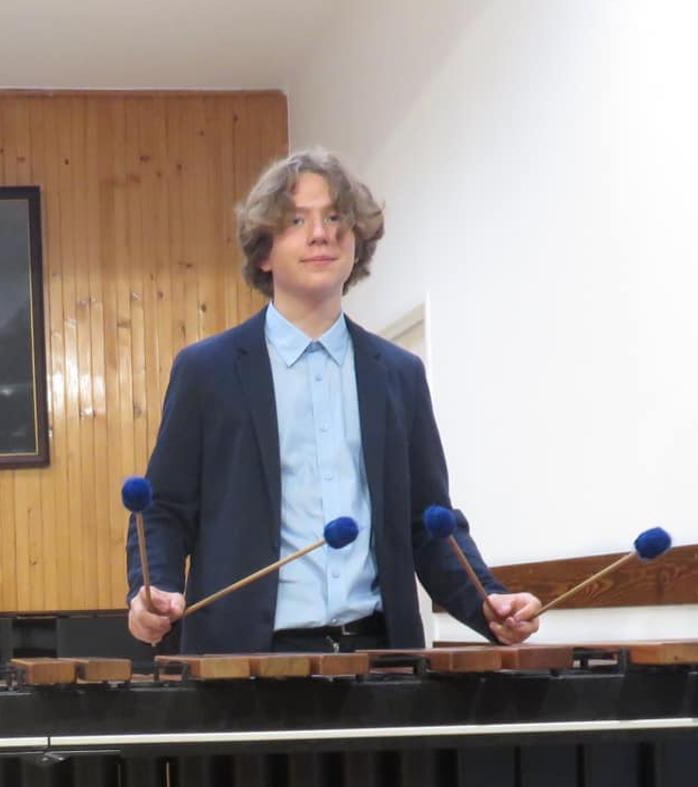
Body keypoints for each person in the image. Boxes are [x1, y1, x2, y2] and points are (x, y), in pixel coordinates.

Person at [125, 149, 543, 654]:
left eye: (335, 218)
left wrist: (488, 601)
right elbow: (164, 509)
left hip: (378, 654)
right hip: (243, 665)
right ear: (263, 252)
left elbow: (430, 522)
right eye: (296, 221)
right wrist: (154, 590)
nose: (321, 234)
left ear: (356, 242)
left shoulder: (399, 375)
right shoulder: (207, 371)